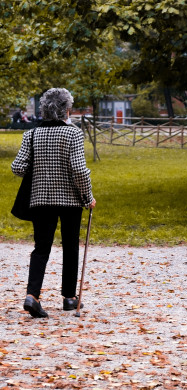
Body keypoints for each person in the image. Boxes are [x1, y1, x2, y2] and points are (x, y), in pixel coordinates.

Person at [11, 88, 96, 318]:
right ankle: (69, 298)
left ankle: (32, 296)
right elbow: (79, 170)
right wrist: (88, 197)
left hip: (40, 199)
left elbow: (18, 167)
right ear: (66, 109)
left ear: (45, 109)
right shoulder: (73, 134)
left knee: (41, 248)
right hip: (70, 200)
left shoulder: (31, 135)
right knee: (70, 247)